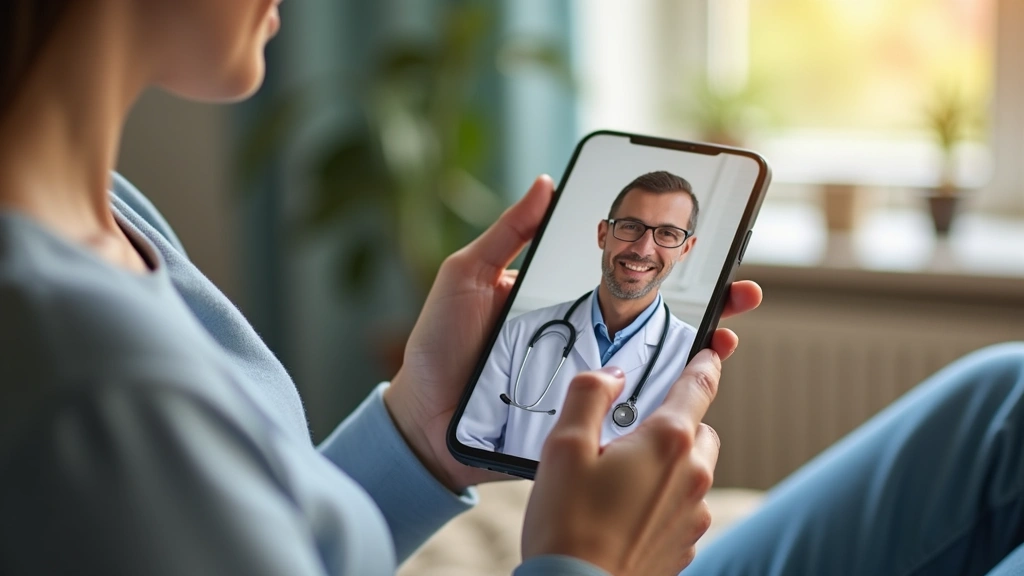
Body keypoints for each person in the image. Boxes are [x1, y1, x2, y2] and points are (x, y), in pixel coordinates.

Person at [1, 3, 1021, 576]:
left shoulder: (112, 212)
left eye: (672, 239)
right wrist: (582, 562)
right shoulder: (82, 382)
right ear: (607, 232)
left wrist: (416, 434)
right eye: (635, 230)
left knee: (1003, 400)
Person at [457, 171, 702, 461]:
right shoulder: (520, 333)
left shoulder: (693, 356)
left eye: (667, 234)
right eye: (630, 226)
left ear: (685, 249)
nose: (643, 248)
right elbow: (472, 443)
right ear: (602, 233)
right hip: (523, 500)